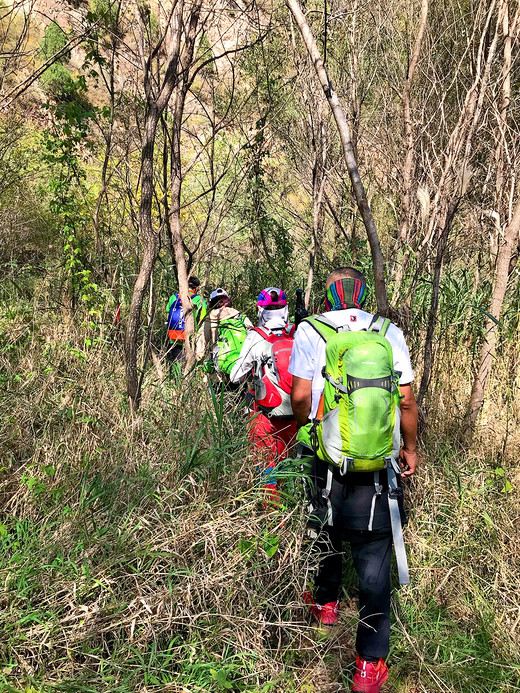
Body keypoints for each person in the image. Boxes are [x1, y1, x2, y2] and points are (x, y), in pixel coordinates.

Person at [289, 267, 418, 693]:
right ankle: (368, 668)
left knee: (324, 524)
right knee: (375, 558)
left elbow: (302, 396)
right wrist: (410, 449)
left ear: (329, 296)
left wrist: (310, 431)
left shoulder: (311, 330)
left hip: (330, 458)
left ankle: (326, 605)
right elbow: (406, 400)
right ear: (363, 294)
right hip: (380, 464)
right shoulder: (388, 331)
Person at [230, 287, 297, 504]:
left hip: (263, 414)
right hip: (294, 413)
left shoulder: (255, 337)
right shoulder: (297, 333)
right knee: (289, 463)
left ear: (260, 310)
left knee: (266, 464)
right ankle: (291, 508)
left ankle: (270, 514)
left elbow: (235, 376)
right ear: (286, 310)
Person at [195, 288, 253, 382]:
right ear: (229, 301)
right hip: (241, 374)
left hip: (216, 377)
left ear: (211, 304)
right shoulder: (241, 319)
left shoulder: (208, 322)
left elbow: (200, 352)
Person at [166, 276, 207, 361]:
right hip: (191, 339)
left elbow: (168, 313)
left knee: (177, 365)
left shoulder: (174, 297)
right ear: (196, 288)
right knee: (189, 366)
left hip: (174, 337)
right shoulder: (199, 299)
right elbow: (203, 319)